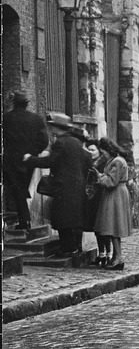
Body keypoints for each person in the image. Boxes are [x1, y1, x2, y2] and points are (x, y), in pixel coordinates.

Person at [25, 112, 91, 257]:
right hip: (76, 186)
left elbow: (50, 162)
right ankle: (75, 247)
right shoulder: (76, 142)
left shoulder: (60, 143)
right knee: (73, 218)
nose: (50, 129)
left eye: (52, 126)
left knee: (62, 218)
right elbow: (86, 161)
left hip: (63, 186)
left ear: (57, 127)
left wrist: (31, 159)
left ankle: (67, 249)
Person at [2, 91, 49, 230]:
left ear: (14, 103)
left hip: (11, 160)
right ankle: (23, 220)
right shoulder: (36, 119)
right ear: (27, 104)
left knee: (17, 189)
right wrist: (32, 154)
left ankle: (24, 220)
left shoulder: (6, 118)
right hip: (29, 161)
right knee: (21, 189)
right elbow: (44, 141)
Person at [94, 137, 132, 270]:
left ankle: (118, 258)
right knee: (114, 227)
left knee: (113, 227)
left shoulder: (116, 161)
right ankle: (117, 256)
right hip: (117, 194)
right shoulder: (117, 160)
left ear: (107, 149)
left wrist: (99, 177)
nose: (102, 154)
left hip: (115, 195)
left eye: (103, 151)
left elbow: (111, 181)